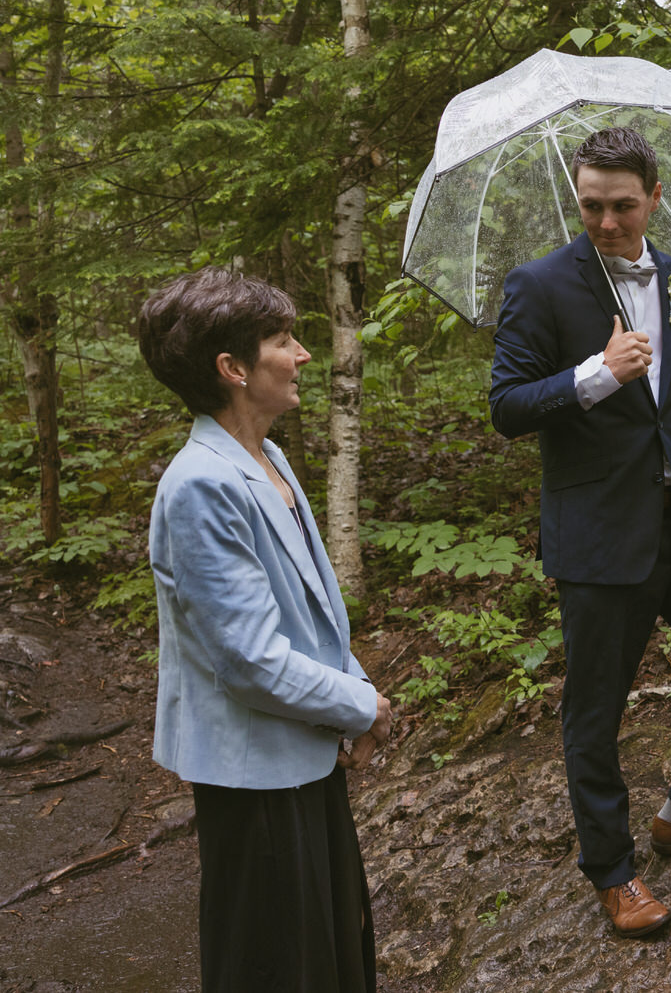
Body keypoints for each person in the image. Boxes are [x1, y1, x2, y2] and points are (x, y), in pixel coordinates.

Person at [489, 126, 671, 938]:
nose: (607, 222)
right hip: (598, 536)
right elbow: (506, 406)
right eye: (591, 207)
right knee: (596, 712)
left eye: (622, 206)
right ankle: (613, 871)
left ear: (654, 199)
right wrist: (593, 374)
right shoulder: (540, 286)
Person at [138, 267, 392, 993]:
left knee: (332, 948)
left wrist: (357, 691)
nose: (303, 353)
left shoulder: (268, 458)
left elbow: (313, 613)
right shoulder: (200, 484)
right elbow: (249, 658)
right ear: (233, 369)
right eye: (283, 340)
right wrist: (360, 706)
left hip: (303, 754)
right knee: (277, 962)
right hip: (253, 776)